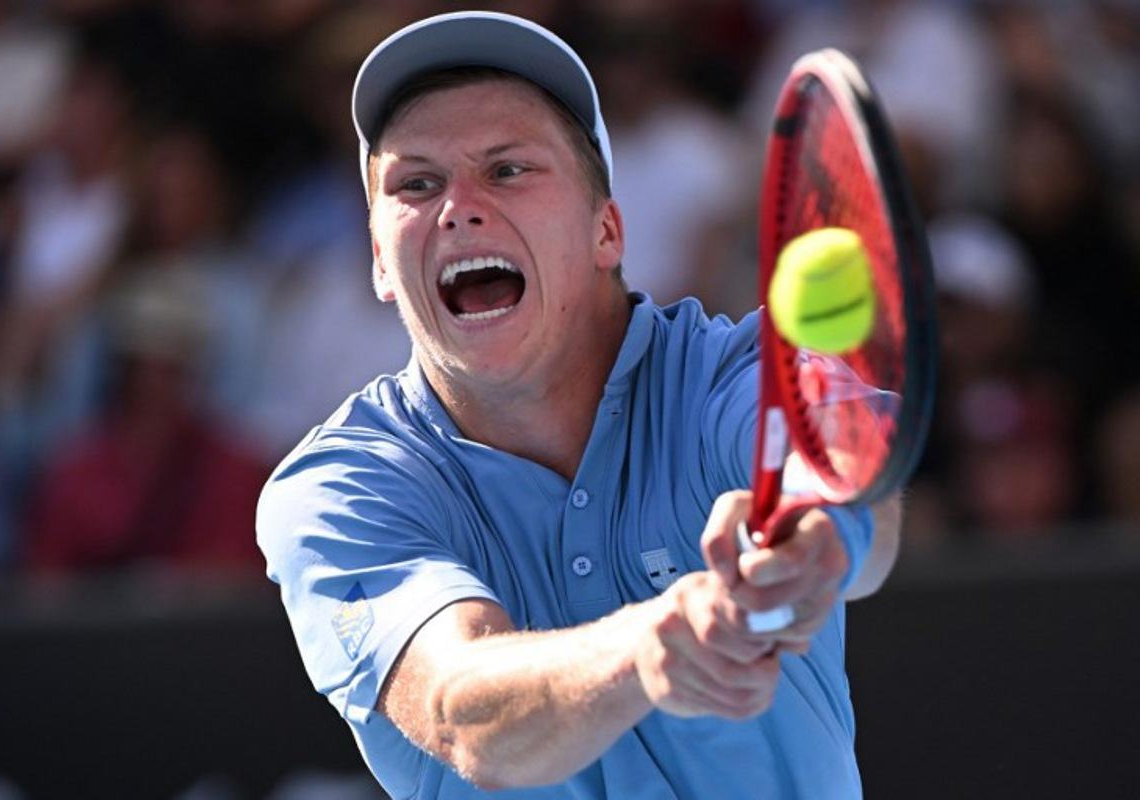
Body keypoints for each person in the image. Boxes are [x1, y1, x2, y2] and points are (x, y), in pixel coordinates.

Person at [257, 11, 900, 799]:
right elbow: (459, 709)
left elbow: (849, 494)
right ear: (380, 264)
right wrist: (646, 651)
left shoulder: (734, 371)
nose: (457, 206)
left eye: (508, 170)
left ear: (607, 231)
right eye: (416, 183)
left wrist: (809, 547)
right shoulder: (335, 488)